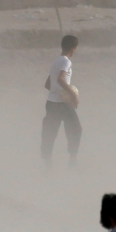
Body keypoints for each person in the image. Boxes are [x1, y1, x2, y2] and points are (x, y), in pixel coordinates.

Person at [41, 34, 82, 167]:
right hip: (62, 104)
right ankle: (72, 162)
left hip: (51, 103)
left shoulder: (55, 62)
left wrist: (57, 92)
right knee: (75, 129)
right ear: (73, 48)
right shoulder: (66, 61)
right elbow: (60, 79)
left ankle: (47, 164)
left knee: (50, 132)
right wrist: (72, 95)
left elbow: (48, 84)